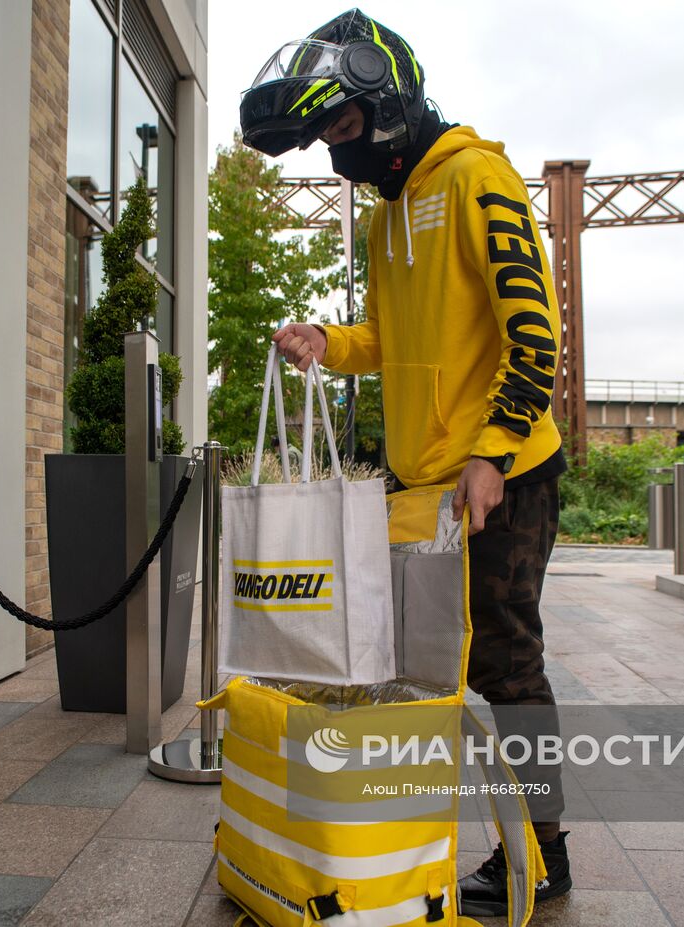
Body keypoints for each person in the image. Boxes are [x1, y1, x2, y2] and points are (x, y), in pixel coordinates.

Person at [239, 8, 571, 913]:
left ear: (388, 103)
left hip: (501, 472)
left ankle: (544, 853)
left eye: (341, 128)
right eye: (323, 138)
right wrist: (328, 342)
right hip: (424, 481)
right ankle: (393, 840)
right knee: (414, 666)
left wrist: (494, 453)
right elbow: (390, 337)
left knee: (506, 664)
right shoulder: (388, 218)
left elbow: (534, 334)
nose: (337, 153)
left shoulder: (478, 178)